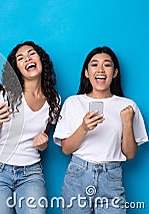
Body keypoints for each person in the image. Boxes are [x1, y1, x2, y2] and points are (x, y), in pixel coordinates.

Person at [53, 46, 148, 213]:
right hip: (78, 176)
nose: (101, 69)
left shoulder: (128, 106)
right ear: (86, 73)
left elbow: (130, 154)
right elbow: (66, 149)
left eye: (107, 65)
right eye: (94, 64)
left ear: (115, 72)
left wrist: (127, 124)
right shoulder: (73, 103)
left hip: (111, 177)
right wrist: (84, 128)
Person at [0, 41, 61, 213]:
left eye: (32, 54)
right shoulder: (4, 95)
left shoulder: (54, 100)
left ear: (41, 60)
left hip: (31, 173)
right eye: (20, 58)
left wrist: (43, 144)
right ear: (17, 69)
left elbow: (42, 140)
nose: (27, 59)